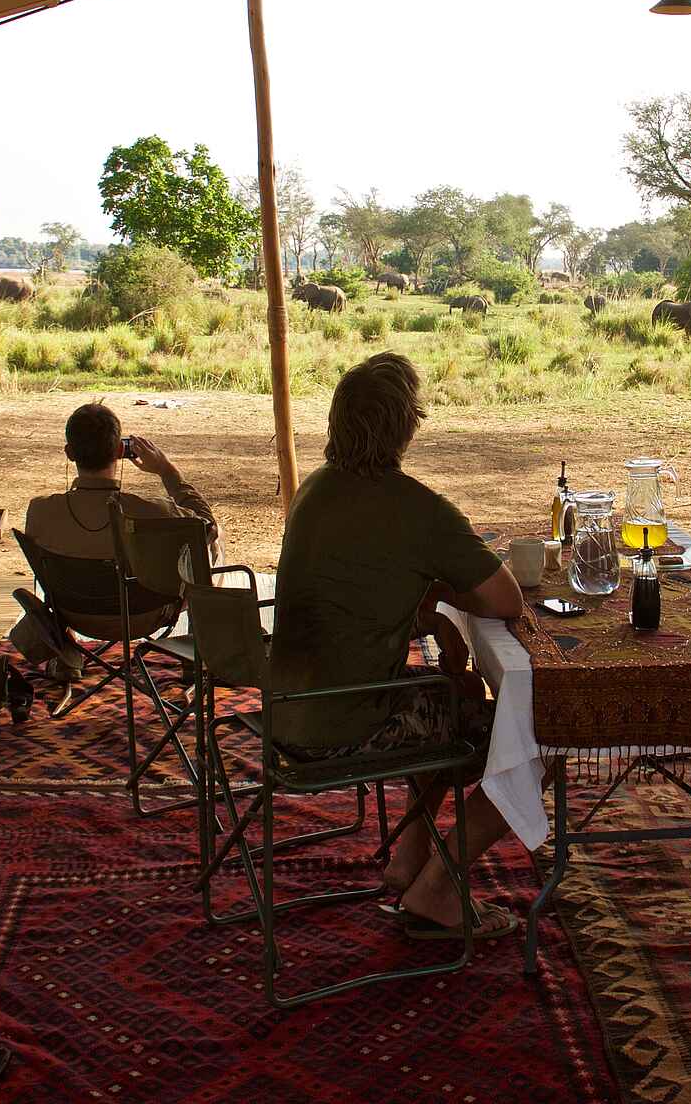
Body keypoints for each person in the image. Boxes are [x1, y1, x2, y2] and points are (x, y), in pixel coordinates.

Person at [269, 352, 526, 941]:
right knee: (532, 739)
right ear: (407, 426)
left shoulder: (314, 489)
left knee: (448, 694)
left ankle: (409, 858)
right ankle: (438, 885)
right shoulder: (417, 509)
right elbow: (505, 599)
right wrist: (445, 589)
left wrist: (425, 605)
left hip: (285, 711)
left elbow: (355, 589)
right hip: (348, 724)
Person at [12, 403, 217, 674]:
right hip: (148, 616)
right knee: (208, 545)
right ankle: (197, 656)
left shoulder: (40, 510)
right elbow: (208, 526)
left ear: (69, 453)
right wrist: (168, 471)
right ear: (120, 451)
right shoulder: (156, 512)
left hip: (75, 615)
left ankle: (64, 659)